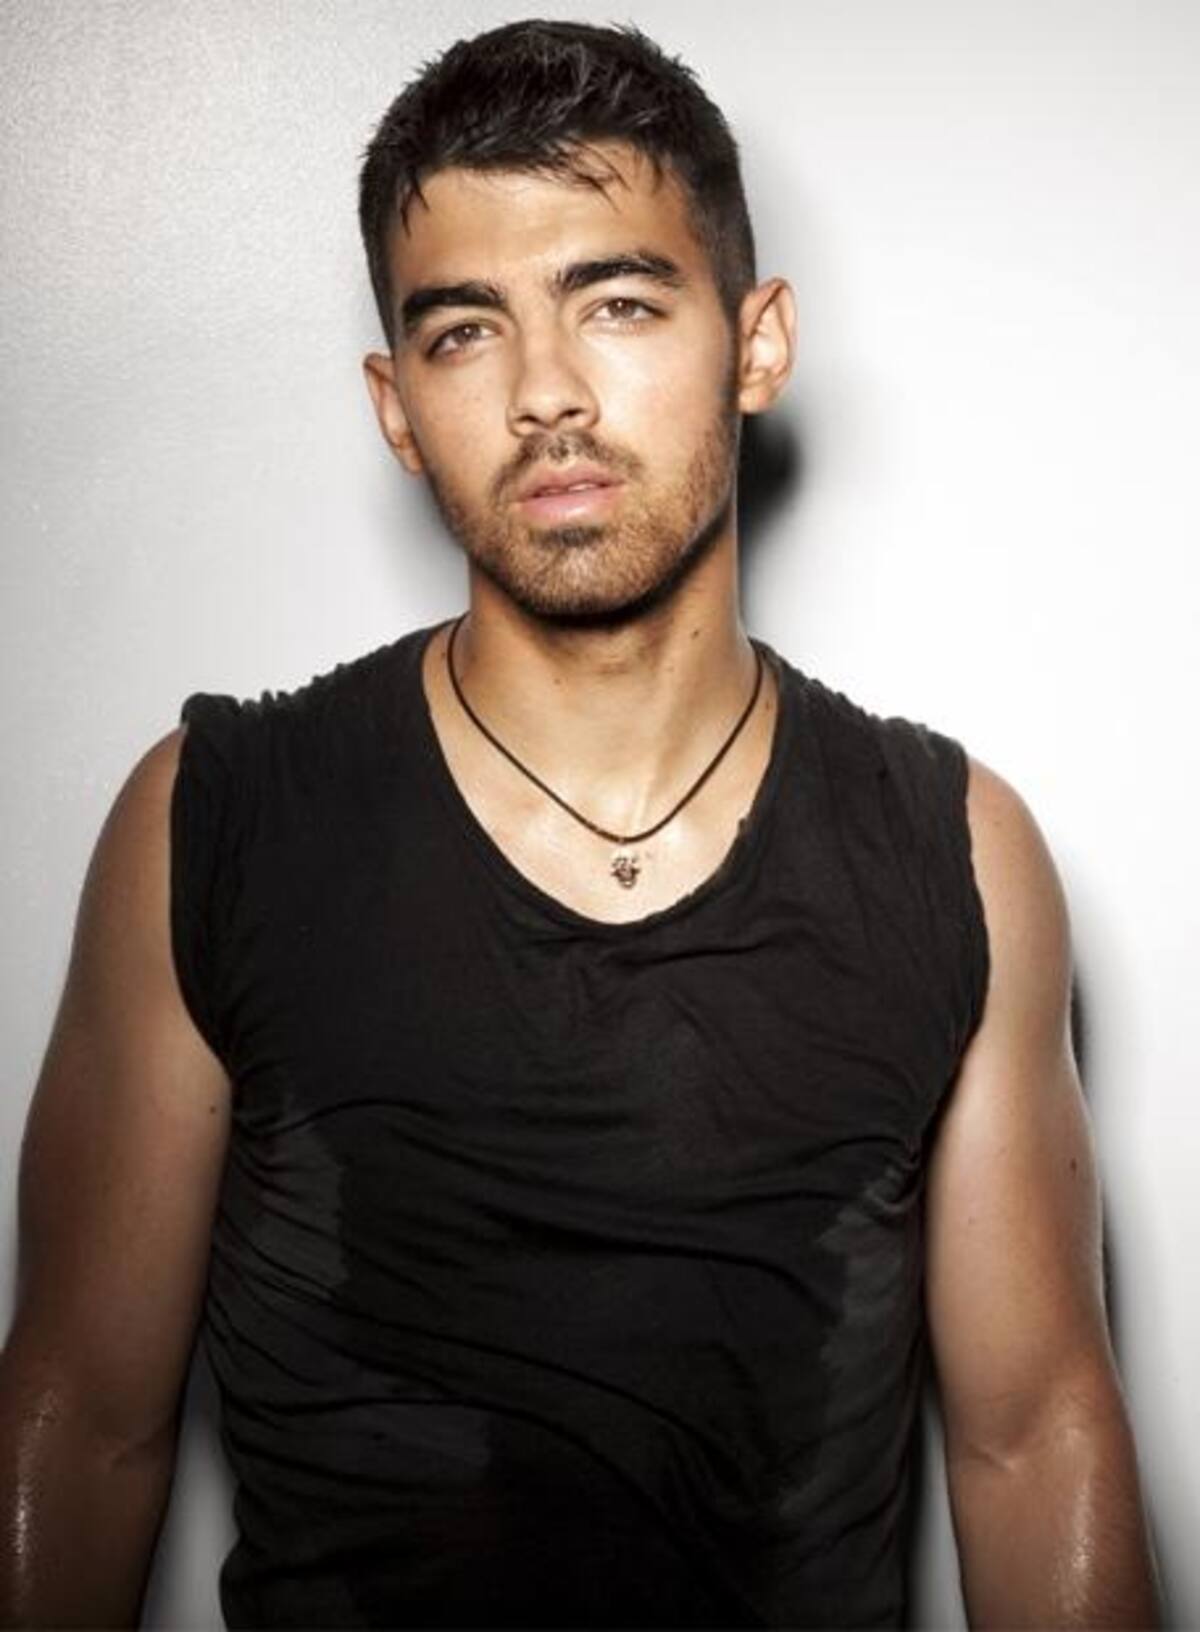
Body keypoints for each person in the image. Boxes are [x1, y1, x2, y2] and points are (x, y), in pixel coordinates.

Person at [0, 18, 1160, 1630]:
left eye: (618, 303)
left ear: (757, 342)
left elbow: (1034, 1438)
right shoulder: (214, 819)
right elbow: (84, 1419)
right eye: (465, 331)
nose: (546, 392)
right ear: (397, 405)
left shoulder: (954, 852)